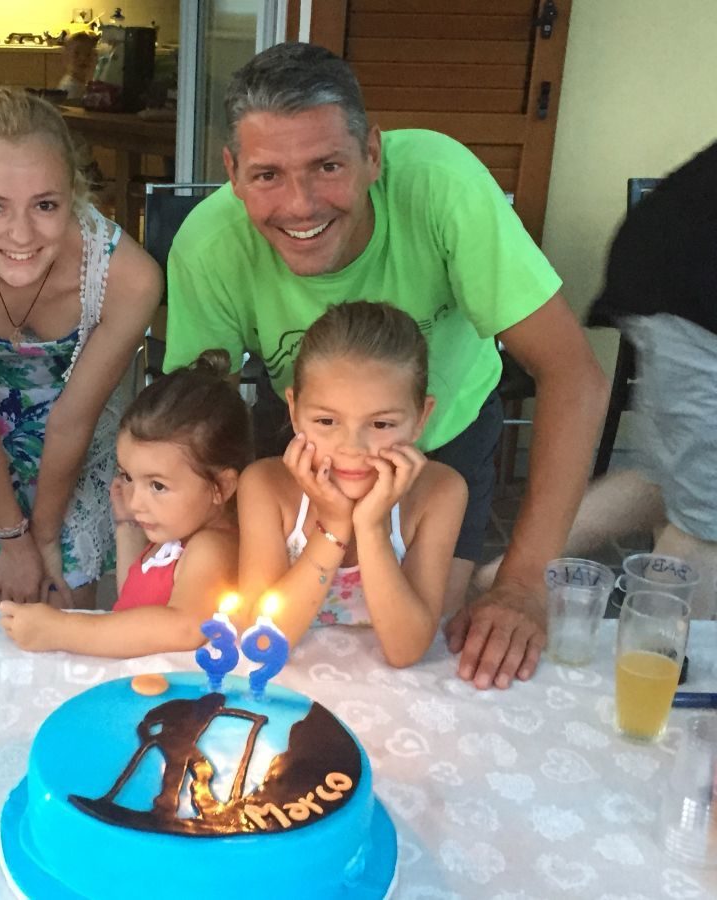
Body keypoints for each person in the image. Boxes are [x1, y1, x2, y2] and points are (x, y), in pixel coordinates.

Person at [164, 42, 608, 689]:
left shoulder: (443, 187)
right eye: (267, 176)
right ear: (232, 173)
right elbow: (197, 424)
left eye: (327, 166)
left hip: (445, 437)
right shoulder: (210, 247)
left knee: (432, 647)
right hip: (306, 449)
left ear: (372, 153)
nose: (300, 205)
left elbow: (573, 373)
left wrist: (522, 583)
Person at [0, 87, 160, 610]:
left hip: (74, 445)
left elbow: (71, 421)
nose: (21, 235)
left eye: (45, 205)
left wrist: (43, 539)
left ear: (74, 194)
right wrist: (13, 542)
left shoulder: (128, 278)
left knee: (67, 594)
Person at [478, 141, 717, 620]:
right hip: (692, 281)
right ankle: (661, 660)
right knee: (706, 520)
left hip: (669, 263)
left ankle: (501, 578)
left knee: (669, 481)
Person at [238, 302, 466, 666]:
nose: (352, 448)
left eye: (381, 424)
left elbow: (405, 650)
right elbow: (262, 643)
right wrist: (334, 526)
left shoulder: (440, 493)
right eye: (327, 421)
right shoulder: (265, 487)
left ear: (421, 417)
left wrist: (372, 528)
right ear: (294, 411)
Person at [0, 350, 252, 656]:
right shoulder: (177, 534)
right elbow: (134, 600)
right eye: (128, 476)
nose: (135, 501)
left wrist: (61, 630)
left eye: (157, 485)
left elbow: (183, 627)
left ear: (221, 487)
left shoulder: (211, 548)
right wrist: (127, 526)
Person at [58, 32, 99, 101]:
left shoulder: (80, 84)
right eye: (76, 54)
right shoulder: (69, 87)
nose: (83, 58)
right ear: (66, 58)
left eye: (88, 54)